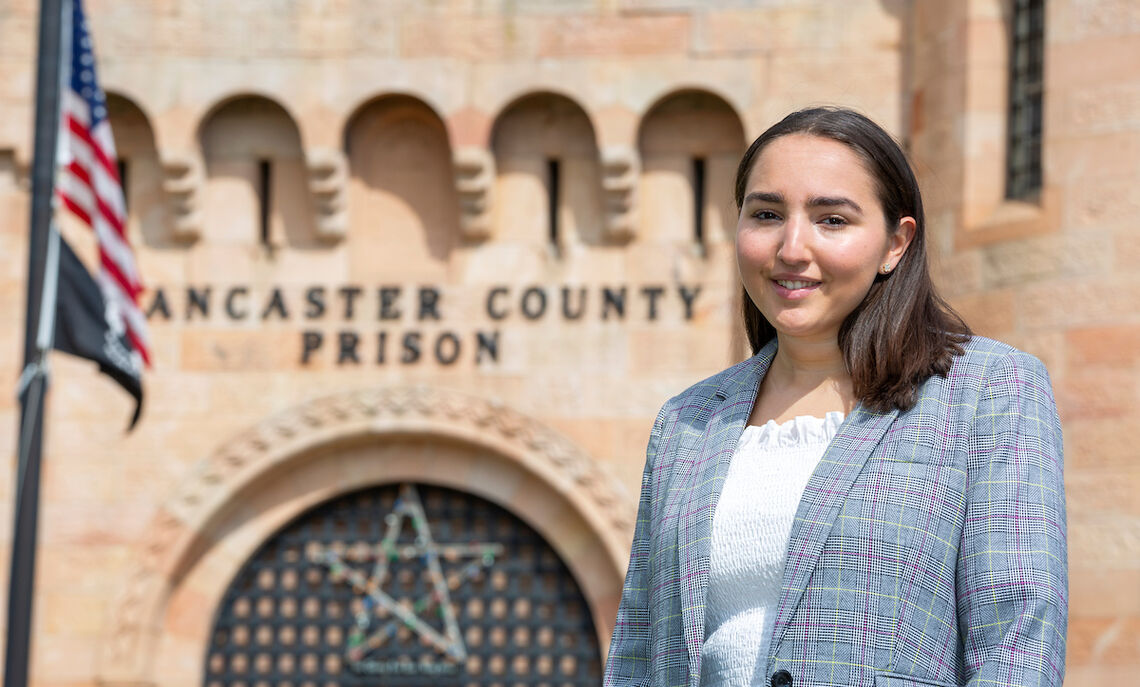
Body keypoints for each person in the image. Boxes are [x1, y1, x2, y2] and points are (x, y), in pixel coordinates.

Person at [603, 107, 1067, 687]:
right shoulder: (688, 421)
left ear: (896, 243)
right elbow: (639, 656)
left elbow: (1016, 647)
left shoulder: (988, 393)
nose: (792, 248)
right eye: (767, 214)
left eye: (832, 220)